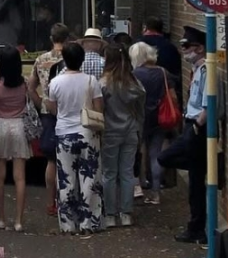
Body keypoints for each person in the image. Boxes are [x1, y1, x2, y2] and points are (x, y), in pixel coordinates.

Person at [46, 42, 104, 234]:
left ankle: (68, 224)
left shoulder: (55, 82)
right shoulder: (91, 81)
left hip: (64, 133)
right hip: (87, 132)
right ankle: (89, 222)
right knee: (90, 178)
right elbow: (99, 108)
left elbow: (52, 108)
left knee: (66, 178)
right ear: (82, 60)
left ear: (64, 59)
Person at [159, 26, 209, 244]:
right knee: (193, 179)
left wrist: (197, 124)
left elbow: (209, 104)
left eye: (188, 46)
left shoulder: (207, 71)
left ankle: (196, 228)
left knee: (193, 181)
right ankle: (196, 227)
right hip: (191, 124)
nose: (185, 50)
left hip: (197, 127)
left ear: (200, 48)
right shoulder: (197, 70)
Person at [99, 45, 145, 228]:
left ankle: (110, 214)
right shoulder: (134, 83)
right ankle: (126, 214)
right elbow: (141, 110)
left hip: (109, 131)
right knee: (127, 173)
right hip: (131, 130)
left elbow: (99, 108)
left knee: (109, 173)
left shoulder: (104, 83)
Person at [0, 46, 31, 232]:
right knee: (20, 177)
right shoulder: (24, 84)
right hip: (19, 126)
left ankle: (1, 219)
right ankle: (19, 221)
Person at [27, 22, 70, 217]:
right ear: (67, 38)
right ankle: (66, 201)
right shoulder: (72, 57)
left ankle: (50, 202)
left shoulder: (41, 59)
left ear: (51, 39)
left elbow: (31, 87)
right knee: (67, 159)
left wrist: (41, 103)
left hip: (47, 113)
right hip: (68, 112)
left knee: (51, 160)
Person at [130, 42, 169, 206]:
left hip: (139, 118)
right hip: (159, 117)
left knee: (136, 153)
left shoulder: (134, 74)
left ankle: (138, 185)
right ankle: (156, 192)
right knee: (155, 154)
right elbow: (172, 95)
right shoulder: (162, 72)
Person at [139, 17, 183, 106]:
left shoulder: (137, 46)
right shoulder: (170, 47)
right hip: (165, 99)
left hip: (142, 97)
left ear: (145, 28)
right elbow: (177, 74)